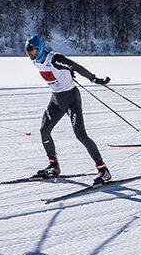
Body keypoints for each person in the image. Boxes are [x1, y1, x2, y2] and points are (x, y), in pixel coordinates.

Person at [24, 34, 113, 186]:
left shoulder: (55, 59)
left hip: (71, 99)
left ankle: (103, 170)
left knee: (80, 134)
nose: (29, 54)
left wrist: (94, 79)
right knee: (44, 130)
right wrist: (66, 72)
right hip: (57, 100)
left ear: (39, 48)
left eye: (31, 51)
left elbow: (76, 66)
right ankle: (54, 166)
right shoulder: (37, 61)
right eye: (27, 52)